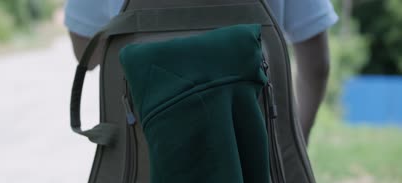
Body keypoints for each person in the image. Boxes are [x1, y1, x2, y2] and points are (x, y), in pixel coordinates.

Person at [64, 0, 338, 144]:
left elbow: (85, 54)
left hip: (146, 157)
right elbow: (317, 65)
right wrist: (295, 142)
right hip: (258, 157)